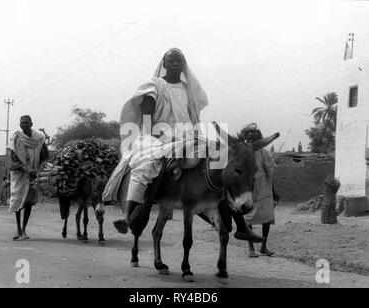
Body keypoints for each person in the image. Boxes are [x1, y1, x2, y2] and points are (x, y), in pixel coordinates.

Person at [103, 48, 262, 242]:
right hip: (155, 136)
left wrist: (190, 136)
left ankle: (241, 226)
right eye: (171, 60)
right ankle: (127, 216)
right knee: (147, 164)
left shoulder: (190, 90)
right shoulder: (153, 86)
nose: (176, 63)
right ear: (164, 64)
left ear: (184, 64)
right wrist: (167, 136)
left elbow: (192, 118)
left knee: (223, 159)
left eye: (179, 60)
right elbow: (147, 121)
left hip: (187, 136)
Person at [8, 115, 48, 241]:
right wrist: (26, 169)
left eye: (26, 122)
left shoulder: (39, 138)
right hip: (19, 174)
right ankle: (18, 229)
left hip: (33, 174)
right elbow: (13, 158)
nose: (24, 125)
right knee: (17, 200)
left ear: (31, 124)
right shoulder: (16, 138)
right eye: (22, 123)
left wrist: (39, 168)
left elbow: (45, 155)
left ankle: (24, 229)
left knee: (28, 202)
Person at [242, 123, 277, 257]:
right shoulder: (244, 155)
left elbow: (270, 174)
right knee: (248, 219)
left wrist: (274, 191)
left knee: (266, 219)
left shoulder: (265, 154)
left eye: (254, 139)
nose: (251, 141)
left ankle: (263, 246)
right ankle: (251, 248)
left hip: (265, 191)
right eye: (249, 139)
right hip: (250, 191)